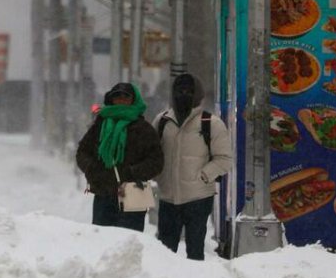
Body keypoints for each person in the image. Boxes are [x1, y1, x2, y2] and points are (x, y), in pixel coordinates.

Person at [154, 73, 233, 260]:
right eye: (179, 91)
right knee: (164, 253)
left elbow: (224, 159)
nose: (184, 95)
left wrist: (204, 176)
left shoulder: (211, 123)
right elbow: (152, 152)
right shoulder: (162, 121)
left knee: (195, 250)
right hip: (168, 197)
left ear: (198, 95)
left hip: (198, 198)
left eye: (189, 91)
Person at [75, 82, 164, 232]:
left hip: (133, 192)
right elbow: (82, 152)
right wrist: (93, 169)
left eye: (126, 97)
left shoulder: (143, 129)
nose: (121, 100)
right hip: (104, 192)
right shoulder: (100, 125)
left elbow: (156, 161)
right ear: (111, 99)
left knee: (128, 243)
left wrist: (133, 172)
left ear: (133, 100)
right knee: (102, 242)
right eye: (117, 96)